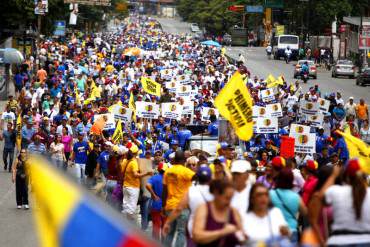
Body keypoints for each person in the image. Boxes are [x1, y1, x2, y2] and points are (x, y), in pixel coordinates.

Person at [316, 159, 370, 246]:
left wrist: (333, 175)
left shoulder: (335, 191)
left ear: (346, 175)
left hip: (339, 241)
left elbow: (319, 196)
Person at [163, 165, 213, 247]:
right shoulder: (215, 191)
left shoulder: (191, 191)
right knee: (181, 231)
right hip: (209, 228)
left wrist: (168, 222)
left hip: (194, 228)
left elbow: (179, 209)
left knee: (178, 232)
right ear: (210, 177)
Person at [192, 179, 245, 247]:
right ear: (216, 193)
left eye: (231, 198)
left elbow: (242, 237)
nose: (229, 202)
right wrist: (223, 232)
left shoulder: (233, 211)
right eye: (226, 198)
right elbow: (197, 236)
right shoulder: (204, 209)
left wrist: (241, 236)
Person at [162, 150, 195, 247]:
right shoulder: (186, 171)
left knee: (169, 232)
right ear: (184, 160)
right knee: (182, 232)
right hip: (183, 207)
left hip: (170, 206)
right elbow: (198, 179)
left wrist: (163, 206)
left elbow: (164, 191)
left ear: (175, 160)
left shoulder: (168, 171)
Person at [270, 168, 307, 243]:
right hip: (291, 230)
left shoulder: (270, 194)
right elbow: (305, 213)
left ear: (278, 179)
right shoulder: (296, 197)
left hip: (274, 230)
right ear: (292, 181)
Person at [121, 144, 151, 221]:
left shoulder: (125, 161)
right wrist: (147, 173)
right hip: (133, 187)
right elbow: (135, 174)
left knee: (126, 206)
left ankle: (123, 223)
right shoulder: (134, 162)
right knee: (131, 209)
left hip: (125, 186)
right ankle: (128, 225)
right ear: (136, 153)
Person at [146, 162, 167, 240]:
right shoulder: (169, 179)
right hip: (166, 205)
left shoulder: (154, 178)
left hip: (156, 203)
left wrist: (154, 195)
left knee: (156, 225)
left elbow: (147, 185)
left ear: (158, 169)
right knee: (165, 226)